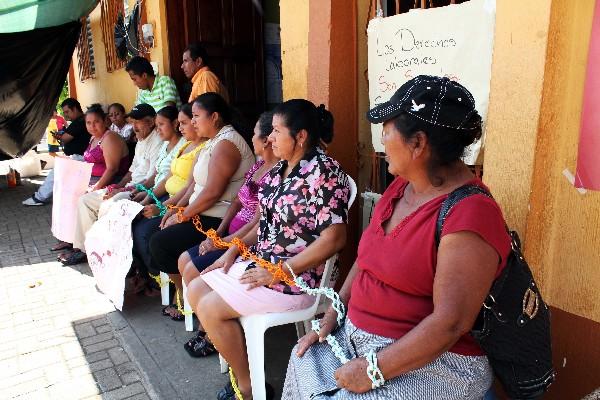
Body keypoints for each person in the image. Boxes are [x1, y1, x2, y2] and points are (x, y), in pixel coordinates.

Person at [281, 76, 511, 400]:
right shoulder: (402, 186)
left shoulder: (470, 214)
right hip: (357, 338)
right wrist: (333, 315)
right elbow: (366, 259)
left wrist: (373, 370)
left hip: (431, 362)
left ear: (417, 143)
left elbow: (450, 323)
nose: (382, 142)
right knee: (302, 358)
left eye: (387, 132)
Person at [186, 99, 351, 400]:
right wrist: (232, 250)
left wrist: (280, 272)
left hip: (296, 278)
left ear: (300, 136)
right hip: (263, 264)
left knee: (209, 307)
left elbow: (334, 238)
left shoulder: (324, 172)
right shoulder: (277, 172)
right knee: (195, 289)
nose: (270, 138)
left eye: (276, 131)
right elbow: (264, 222)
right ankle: (242, 372)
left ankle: (249, 387)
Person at [149, 92, 255, 319]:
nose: (193, 121)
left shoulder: (227, 144)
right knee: (154, 230)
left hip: (216, 218)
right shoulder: (212, 141)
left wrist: (184, 215)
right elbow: (193, 186)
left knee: (160, 243)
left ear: (214, 117)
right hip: (202, 212)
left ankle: (186, 299)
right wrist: (175, 210)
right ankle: (186, 297)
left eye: (196, 116)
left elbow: (212, 192)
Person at [174, 111, 277, 334]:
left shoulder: (277, 176)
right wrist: (218, 233)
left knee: (193, 270)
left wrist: (225, 244)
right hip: (231, 237)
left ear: (267, 140)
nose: (251, 138)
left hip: (247, 244)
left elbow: (258, 224)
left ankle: (208, 330)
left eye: (255, 133)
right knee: (184, 259)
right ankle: (202, 321)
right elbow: (237, 202)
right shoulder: (258, 167)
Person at [59, 103, 163, 266]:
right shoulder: (141, 140)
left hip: (139, 190)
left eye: (138, 122)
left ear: (151, 123)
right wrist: (117, 186)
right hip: (128, 185)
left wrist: (122, 188)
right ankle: (84, 249)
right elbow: (131, 171)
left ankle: (107, 256)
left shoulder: (157, 141)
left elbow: (151, 178)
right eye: (132, 121)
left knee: (108, 206)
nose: (134, 126)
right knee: (84, 201)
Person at [131, 103, 208, 296]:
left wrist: (166, 209)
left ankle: (169, 285)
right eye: (180, 123)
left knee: (149, 234)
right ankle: (147, 275)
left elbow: (194, 188)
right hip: (172, 200)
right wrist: (151, 200)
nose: (181, 127)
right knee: (134, 223)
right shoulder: (187, 145)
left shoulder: (207, 148)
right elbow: (167, 177)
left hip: (189, 206)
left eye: (185, 122)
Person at [52, 103, 130, 259]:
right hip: (93, 178)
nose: (92, 126)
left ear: (105, 121)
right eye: (88, 123)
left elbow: (112, 169)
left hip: (112, 181)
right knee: (63, 191)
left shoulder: (110, 138)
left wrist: (95, 187)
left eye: (96, 122)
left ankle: (83, 248)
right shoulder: (94, 137)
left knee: (80, 198)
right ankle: (69, 238)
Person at [23, 98, 90, 207]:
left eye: (67, 112)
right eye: (64, 113)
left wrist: (60, 136)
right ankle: (42, 197)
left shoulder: (79, 122)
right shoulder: (78, 121)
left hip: (79, 157)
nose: (65, 115)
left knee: (55, 174)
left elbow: (66, 138)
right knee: (58, 175)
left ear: (75, 109)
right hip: (78, 157)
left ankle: (39, 197)